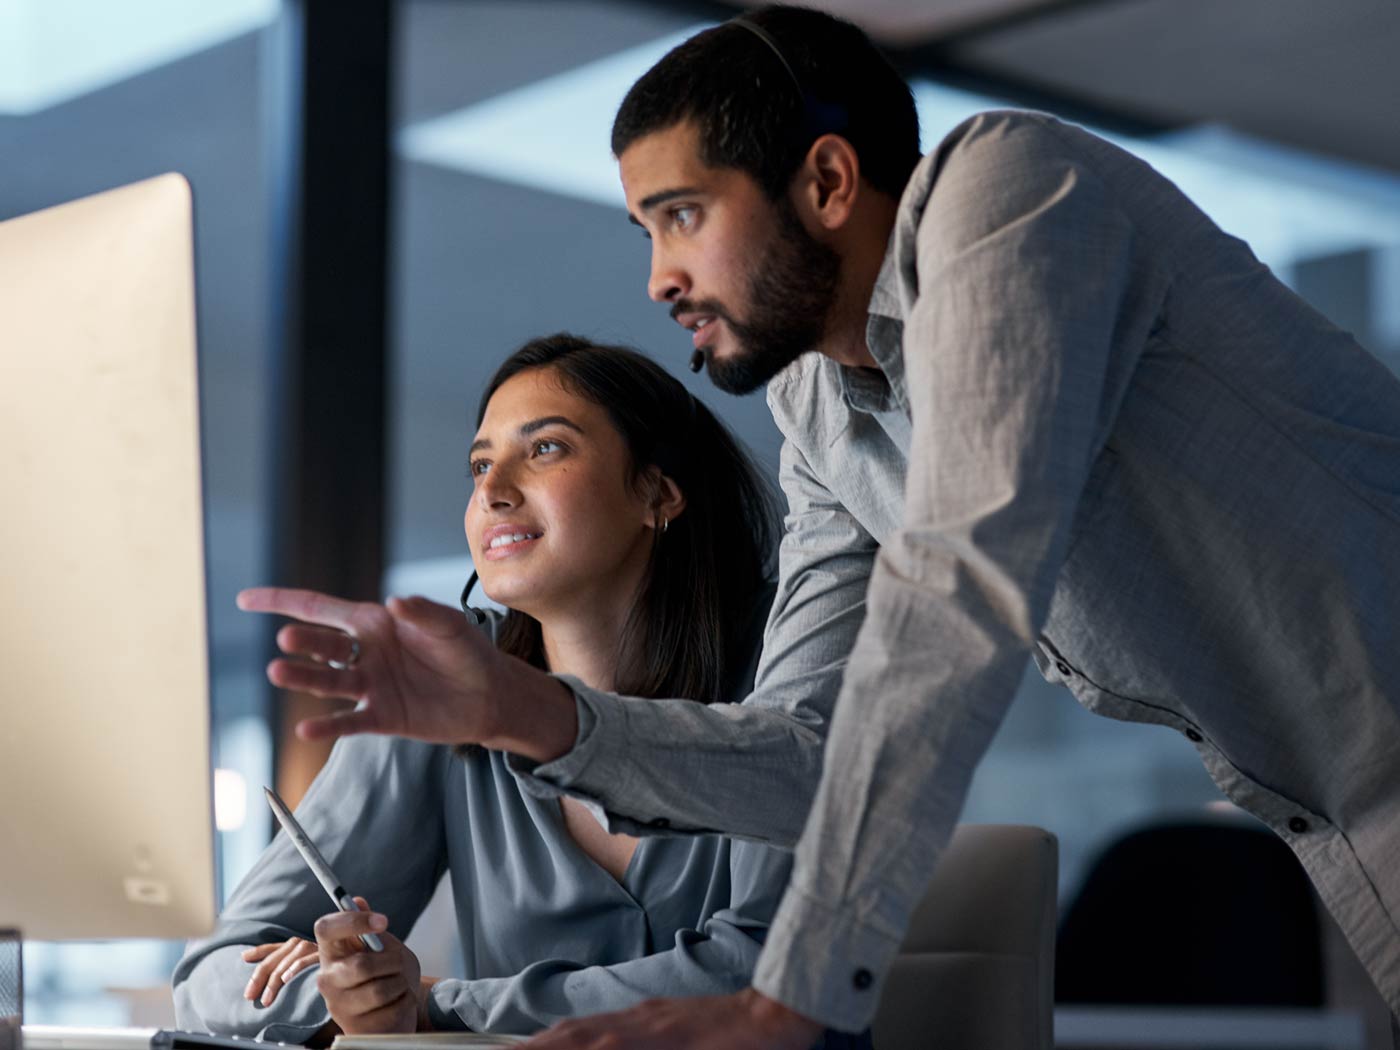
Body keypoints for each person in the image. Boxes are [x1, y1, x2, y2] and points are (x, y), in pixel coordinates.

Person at [234, 8, 1400, 1049]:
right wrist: (515, 709)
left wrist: (784, 1001)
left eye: (679, 216)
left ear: (828, 183)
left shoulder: (1011, 193)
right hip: (1344, 809)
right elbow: (805, 755)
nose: (657, 279)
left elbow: (958, 591)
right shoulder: (820, 409)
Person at [173, 334, 861, 1045]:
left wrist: (441, 1002)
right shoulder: (437, 694)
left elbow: (758, 977)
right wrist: (344, 991)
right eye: (479, 463)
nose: (493, 490)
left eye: (545, 449)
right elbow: (209, 981)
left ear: (658, 491)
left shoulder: (790, 672)